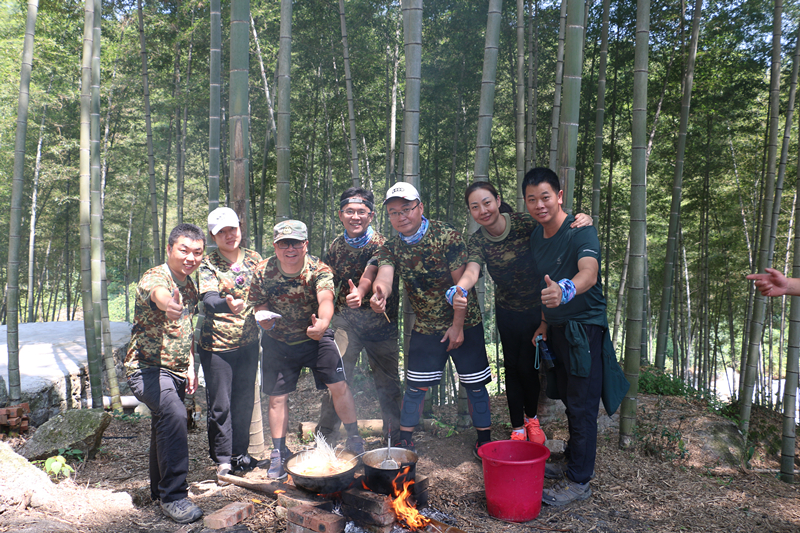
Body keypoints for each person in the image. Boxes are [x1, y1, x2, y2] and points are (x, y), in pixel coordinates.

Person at [452, 182, 592, 443]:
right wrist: (460, 287)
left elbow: (557, 224)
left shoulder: (524, 222)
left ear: (497, 200)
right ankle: (517, 426)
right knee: (512, 368)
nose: (483, 210)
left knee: (528, 367)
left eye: (486, 202)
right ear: (470, 211)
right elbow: (472, 269)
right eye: (475, 206)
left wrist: (583, 218)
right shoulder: (477, 240)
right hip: (507, 310)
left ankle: (532, 420)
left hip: (538, 308)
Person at [370, 182, 493, 458]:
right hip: (426, 325)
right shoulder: (392, 247)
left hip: (465, 321)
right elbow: (385, 275)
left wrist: (457, 328)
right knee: (415, 386)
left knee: (474, 384)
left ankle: (484, 440)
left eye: (406, 209)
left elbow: (462, 288)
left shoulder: (446, 236)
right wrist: (380, 293)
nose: (401, 216)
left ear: (420, 208)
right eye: (393, 212)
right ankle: (405, 441)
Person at [524, 167, 616, 506]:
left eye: (545, 197)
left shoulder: (581, 230)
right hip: (558, 329)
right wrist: (545, 323)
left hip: (584, 329)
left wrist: (567, 289)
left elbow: (588, 274)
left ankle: (580, 481)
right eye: (532, 199)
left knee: (582, 404)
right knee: (569, 400)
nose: (539, 205)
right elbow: (544, 284)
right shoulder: (536, 237)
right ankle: (571, 460)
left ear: (559, 196)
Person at [249, 220, 364, 480]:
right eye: (283, 243)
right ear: (275, 246)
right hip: (278, 340)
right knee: (277, 397)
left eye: (295, 243)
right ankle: (278, 452)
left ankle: (355, 439)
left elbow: (325, 299)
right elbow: (258, 303)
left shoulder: (318, 268)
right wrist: (262, 318)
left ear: (305, 244)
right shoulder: (262, 270)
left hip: (316, 336)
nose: (290, 249)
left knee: (339, 385)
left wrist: (323, 323)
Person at [125, 223, 205, 524]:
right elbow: (158, 295)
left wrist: (190, 363)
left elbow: (185, 329)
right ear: (169, 249)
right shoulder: (155, 277)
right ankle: (174, 496)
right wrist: (168, 303)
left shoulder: (190, 285)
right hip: (145, 368)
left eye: (197, 252)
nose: (190, 257)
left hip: (175, 369)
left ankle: (159, 492)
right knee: (173, 414)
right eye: (183, 250)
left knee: (164, 421)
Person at [315, 187, 403, 445]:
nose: (355, 217)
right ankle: (325, 438)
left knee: (388, 383)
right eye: (349, 212)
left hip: (382, 324)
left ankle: (393, 438)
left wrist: (365, 293)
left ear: (372, 216)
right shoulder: (335, 246)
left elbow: (373, 273)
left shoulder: (385, 245)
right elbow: (326, 282)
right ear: (341, 215)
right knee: (337, 375)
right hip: (346, 323)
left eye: (361, 212)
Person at [197, 207, 262, 483]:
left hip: (248, 342)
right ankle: (223, 459)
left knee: (245, 401)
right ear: (213, 235)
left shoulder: (255, 258)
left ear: (240, 228)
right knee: (221, 405)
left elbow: (266, 292)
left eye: (232, 229)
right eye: (221, 232)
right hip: (216, 347)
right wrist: (227, 304)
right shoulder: (207, 263)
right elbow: (209, 299)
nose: (228, 235)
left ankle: (240, 454)